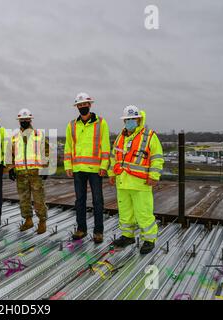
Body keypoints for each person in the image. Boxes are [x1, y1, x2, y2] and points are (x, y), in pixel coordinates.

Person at [108, 105, 164, 254]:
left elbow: (157, 157)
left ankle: (149, 239)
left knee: (144, 213)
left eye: (133, 119)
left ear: (139, 119)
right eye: (127, 119)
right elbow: (114, 158)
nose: (130, 121)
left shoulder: (149, 136)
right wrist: (111, 174)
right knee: (125, 213)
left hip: (140, 183)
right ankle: (128, 236)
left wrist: (154, 176)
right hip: (122, 182)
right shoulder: (120, 137)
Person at [64, 92, 110, 243]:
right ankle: (81, 229)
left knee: (98, 200)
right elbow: (68, 147)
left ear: (90, 105)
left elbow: (105, 146)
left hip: (95, 170)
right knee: (80, 200)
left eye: (85, 104)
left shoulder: (101, 123)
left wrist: (104, 165)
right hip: (78, 169)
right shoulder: (71, 125)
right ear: (77, 106)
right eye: (80, 105)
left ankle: (98, 232)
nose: (82, 107)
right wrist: (68, 166)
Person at [8, 108, 49, 234]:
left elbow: (46, 151)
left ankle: (42, 222)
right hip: (21, 173)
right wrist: (11, 168)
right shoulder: (14, 137)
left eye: (26, 119)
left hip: (35, 173)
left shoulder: (39, 134)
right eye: (22, 120)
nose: (24, 121)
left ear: (30, 120)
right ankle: (28, 220)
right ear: (19, 121)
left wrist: (46, 167)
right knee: (24, 199)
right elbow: (10, 154)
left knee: (39, 199)